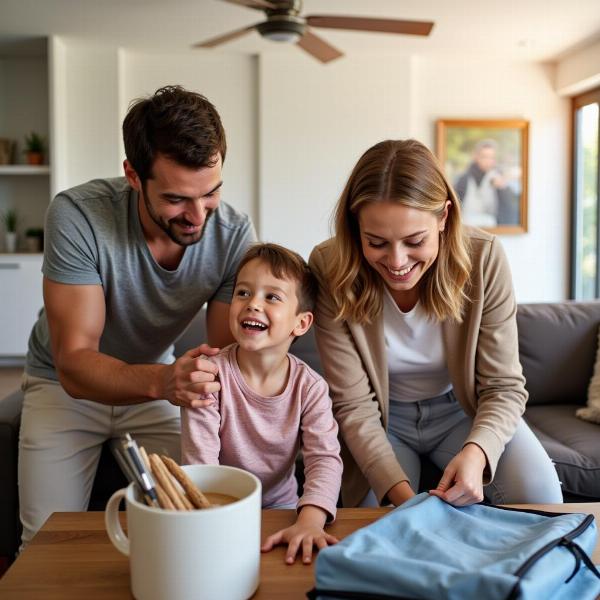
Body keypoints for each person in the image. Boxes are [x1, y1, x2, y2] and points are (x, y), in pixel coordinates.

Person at [19, 85, 256, 546]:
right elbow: (75, 363)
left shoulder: (232, 234)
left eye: (210, 194)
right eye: (175, 199)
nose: (197, 216)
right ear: (132, 175)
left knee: (194, 523)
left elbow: (228, 357)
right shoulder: (78, 216)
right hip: (63, 387)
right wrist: (166, 382)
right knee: (44, 545)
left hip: (154, 385)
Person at [309, 139, 562, 509]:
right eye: (376, 242)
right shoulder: (329, 266)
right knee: (373, 521)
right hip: (382, 420)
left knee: (542, 497)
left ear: (443, 217)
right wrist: (407, 506)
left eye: (415, 241)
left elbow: (504, 386)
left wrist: (477, 453)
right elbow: (353, 405)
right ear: (354, 225)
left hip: (461, 411)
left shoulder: (483, 258)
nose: (397, 262)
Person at [181, 243, 342, 565]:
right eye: (243, 292)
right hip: (214, 505)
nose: (252, 304)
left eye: (271, 297)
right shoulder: (208, 376)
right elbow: (201, 464)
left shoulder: (310, 388)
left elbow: (324, 459)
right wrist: (212, 518)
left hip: (282, 508)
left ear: (301, 323)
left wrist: (309, 522)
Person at [454, 139, 519, 227]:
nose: (488, 161)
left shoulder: (499, 179)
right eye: (484, 156)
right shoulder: (463, 179)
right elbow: (454, 207)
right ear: (476, 156)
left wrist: (503, 189)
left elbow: (510, 212)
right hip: (467, 229)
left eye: (491, 157)